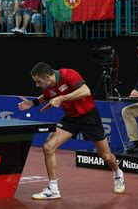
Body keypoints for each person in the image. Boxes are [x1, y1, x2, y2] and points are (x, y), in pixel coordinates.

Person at [18, 62, 125, 199]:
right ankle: (53, 189)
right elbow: (46, 96)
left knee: (105, 155)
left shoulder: (68, 74)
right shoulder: (50, 86)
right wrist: (32, 103)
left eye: (38, 82)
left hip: (89, 117)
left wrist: (62, 98)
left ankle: (118, 173)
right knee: (48, 147)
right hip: (71, 118)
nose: (37, 85)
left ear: (47, 77)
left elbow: (85, 91)